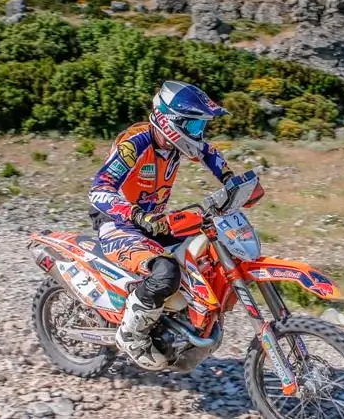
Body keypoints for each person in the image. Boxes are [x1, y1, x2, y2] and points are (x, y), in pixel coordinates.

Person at [88, 81, 263, 369]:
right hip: (117, 220)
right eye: (193, 126)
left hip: (153, 220)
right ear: (170, 122)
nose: (199, 134)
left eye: (200, 127)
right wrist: (134, 214)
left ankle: (183, 323)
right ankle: (131, 335)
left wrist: (231, 181)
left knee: (207, 247)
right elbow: (98, 191)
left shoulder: (175, 144)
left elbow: (208, 152)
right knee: (166, 271)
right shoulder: (135, 144)